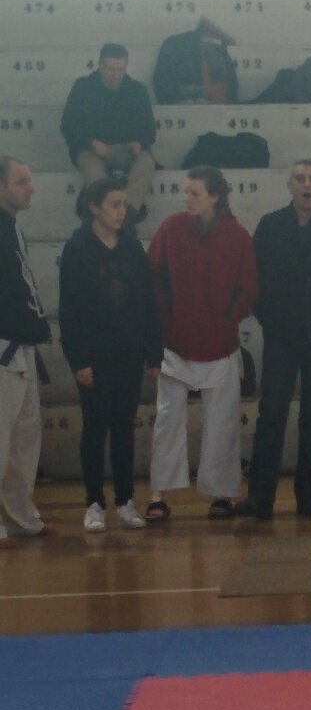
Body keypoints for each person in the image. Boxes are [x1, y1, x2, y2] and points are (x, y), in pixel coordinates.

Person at [233, 160, 311, 520]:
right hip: (281, 334)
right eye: (300, 179)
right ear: (289, 186)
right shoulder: (270, 227)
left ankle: (310, 496)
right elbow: (256, 277)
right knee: (271, 414)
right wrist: (268, 317)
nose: (306, 185)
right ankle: (261, 497)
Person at [146, 166, 257, 522]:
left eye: (194, 192)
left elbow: (249, 287)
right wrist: (164, 322)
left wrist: (229, 319)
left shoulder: (237, 235)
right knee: (167, 419)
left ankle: (222, 492)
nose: (187, 198)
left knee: (222, 420)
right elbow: (154, 279)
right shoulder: (170, 229)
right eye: (186, 191)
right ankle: (158, 493)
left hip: (220, 341)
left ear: (214, 196)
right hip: (174, 339)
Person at [59, 179, 162, 533]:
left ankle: (125, 500)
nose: (122, 211)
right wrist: (78, 360)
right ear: (94, 207)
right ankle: (93, 502)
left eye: (124, 204)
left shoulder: (133, 248)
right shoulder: (77, 249)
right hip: (94, 355)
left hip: (128, 352)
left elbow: (148, 303)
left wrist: (153, 352)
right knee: (94, 428)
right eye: (114, 204)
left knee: (123, 428)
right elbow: (69, 310)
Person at [0, 157, 52, 548]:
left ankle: (22, 517)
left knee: (23, 440)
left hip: (23, 344)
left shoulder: (12, 227)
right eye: (21, 182)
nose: (29, 188)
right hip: (3, 346)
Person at [59, 43, 157, 225]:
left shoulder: (137, 90)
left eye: (120, 69)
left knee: (146, 162)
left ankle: (127, 215)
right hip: (91, 149)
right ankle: (107, 216)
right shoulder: (83, 87)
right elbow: (68, 125)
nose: (115, 74)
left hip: (127, 149)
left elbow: (149, 129)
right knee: (93, 169)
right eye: (110, 69)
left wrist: (140, 143)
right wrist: (92, 143)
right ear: (100, 65)